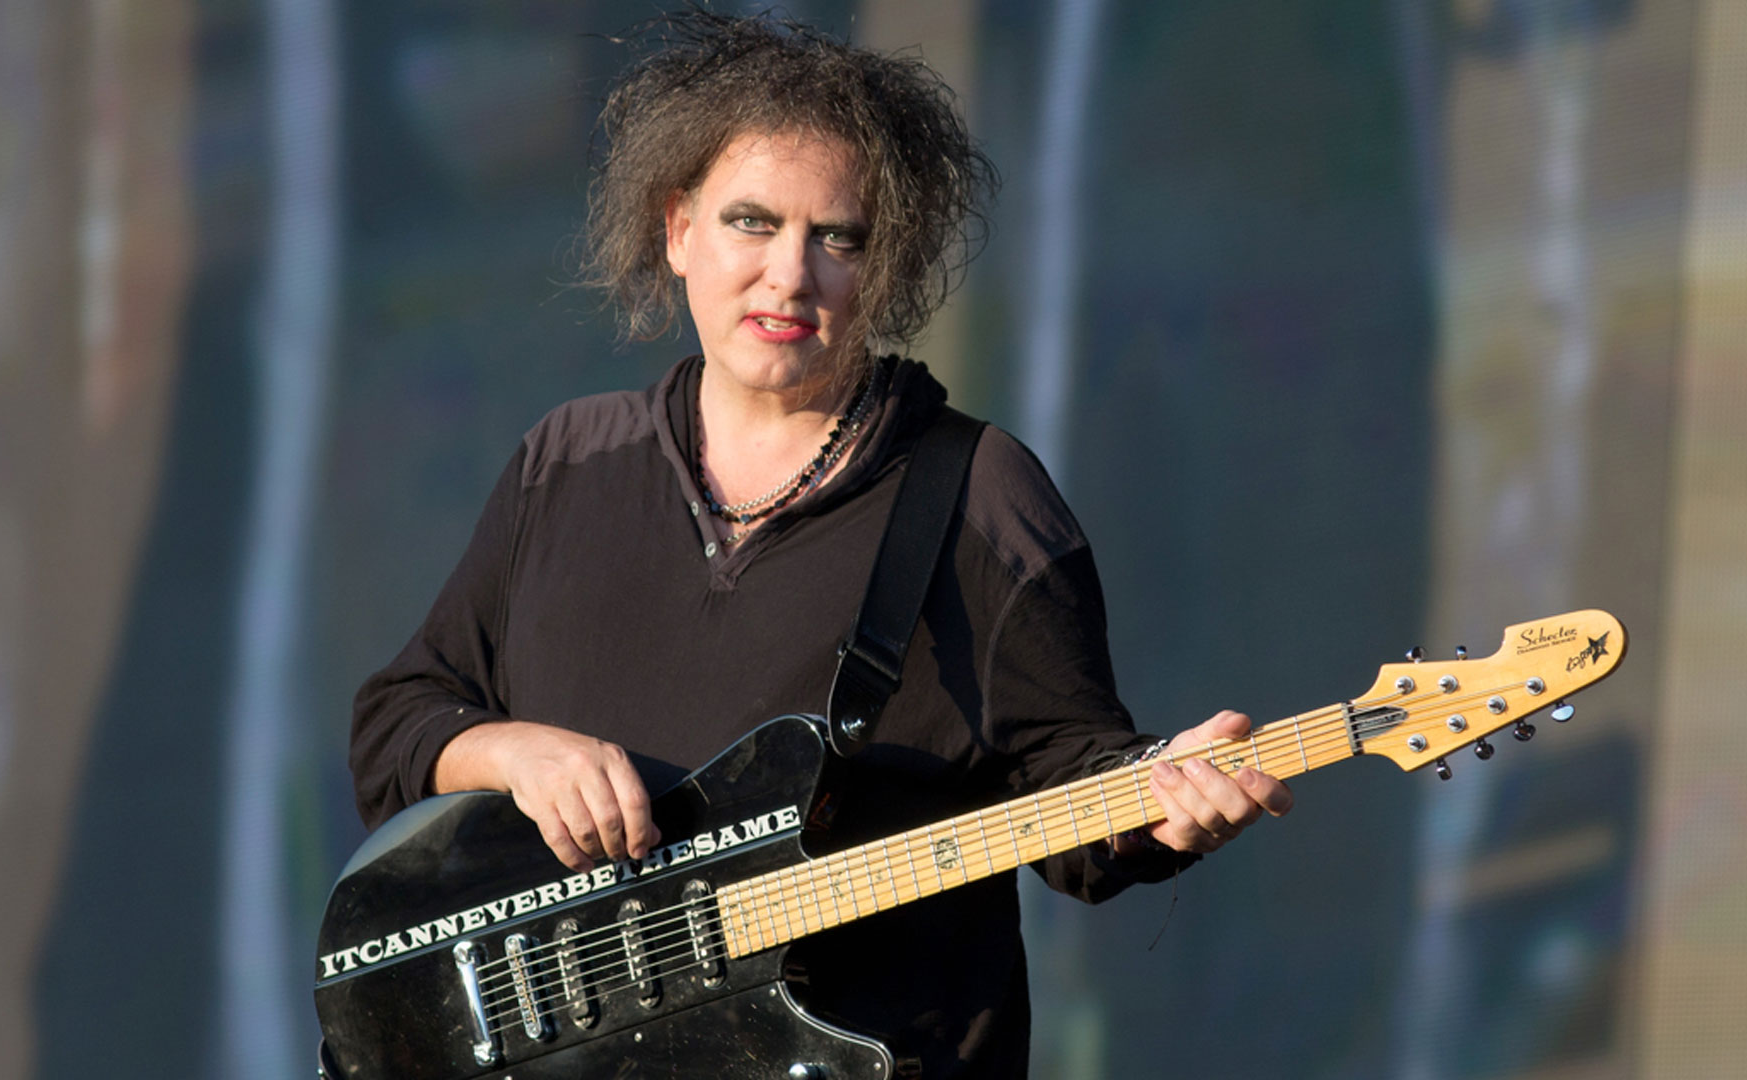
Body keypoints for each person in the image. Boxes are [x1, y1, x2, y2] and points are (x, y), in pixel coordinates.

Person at [350, 10, 1293, 1076]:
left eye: (837, 238)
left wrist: (1164, 804)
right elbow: (395, 727)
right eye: (751, 222)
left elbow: (1075, 802)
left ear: (882, 267)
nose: (789, 277)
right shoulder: (564, 462)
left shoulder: (982, 497)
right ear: (678, 230)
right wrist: (510, 752)